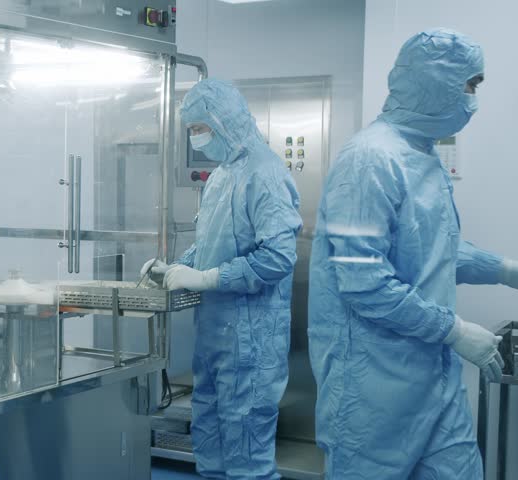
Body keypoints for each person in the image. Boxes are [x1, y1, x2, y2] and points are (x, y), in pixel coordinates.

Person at [308, 28, 516, 478]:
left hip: (432, 378)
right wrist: (454, 330)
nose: (473, 98)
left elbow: (429, 248)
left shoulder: (420, 156)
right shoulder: (370, 159)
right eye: (470, 84)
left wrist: (503, 269)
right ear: (433, 82)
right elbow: (363, 280)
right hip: (372, 388)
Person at [142, 78, 301, 479]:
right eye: (192, 130)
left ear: (224, 121)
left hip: (251, 340)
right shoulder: (220, 178)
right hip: (213, 337)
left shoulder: (264, 174)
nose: (196, 138)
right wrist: (175, 268)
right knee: (209, 442)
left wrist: (209, 279)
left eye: (200, 128)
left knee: (247, 454)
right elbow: (210, 244)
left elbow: (278, 257)